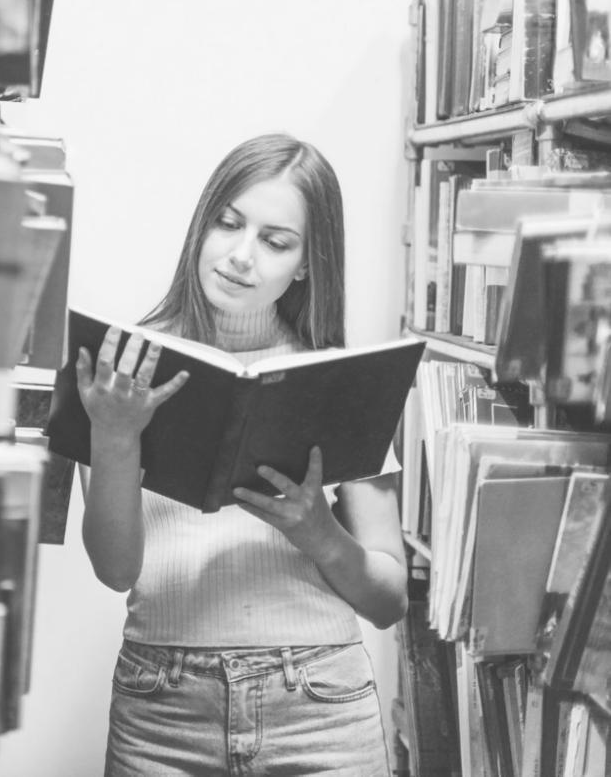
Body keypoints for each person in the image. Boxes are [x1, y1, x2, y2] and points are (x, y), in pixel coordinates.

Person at [76, 132, 406, 777]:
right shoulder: (124, 368)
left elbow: (390, 602)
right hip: (162, 707)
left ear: (307, 264)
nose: (240, 255)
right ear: (203, 226)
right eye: (228, 224)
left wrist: (318, 532)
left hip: (321, 705)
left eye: (276, 242)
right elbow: (116, 570)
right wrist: (116, 439)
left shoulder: (339, 382)